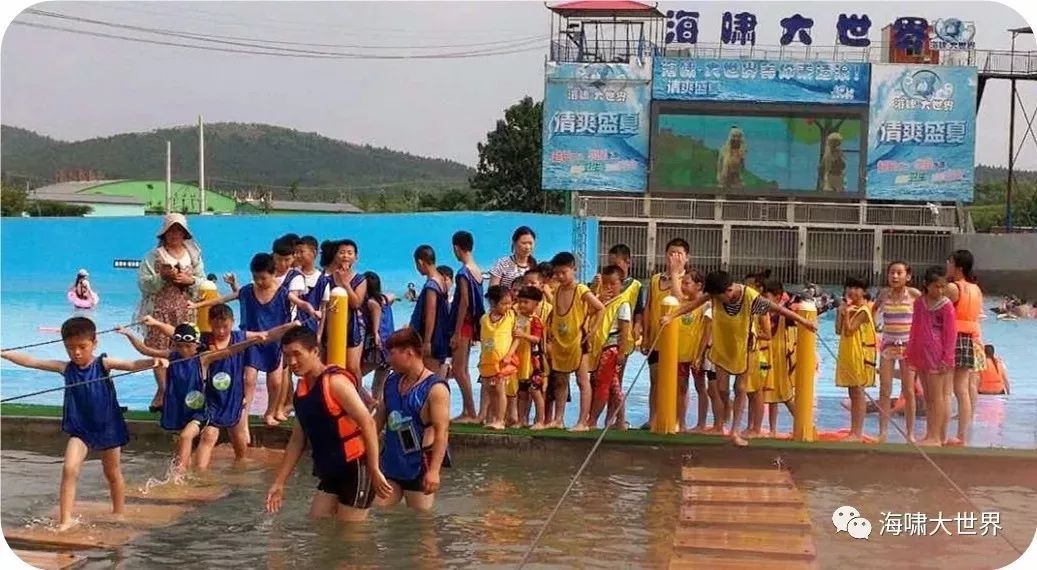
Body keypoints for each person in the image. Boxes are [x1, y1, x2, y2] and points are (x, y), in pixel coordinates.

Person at [1, 317, 166, 531]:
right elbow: (31, 361)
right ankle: (65, 520)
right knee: (69, 469)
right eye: (70, 348)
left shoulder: (103, 364)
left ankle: (119, 512)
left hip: (108, 427)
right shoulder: (65, 368)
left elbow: (131, 364)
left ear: (94, 343)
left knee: (112, 473)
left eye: (82, 347)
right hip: (80, 429)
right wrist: (4, 353)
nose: (76, 353)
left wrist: (153, 362)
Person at [663, 271, 818, 446]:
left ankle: (735, 431)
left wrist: (805, 322)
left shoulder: (750, 297)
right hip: (723, 347)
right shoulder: (714, 294)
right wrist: (671, 316)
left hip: (745, 348)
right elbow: (692, 305)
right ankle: (728, 409)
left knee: (741, 387)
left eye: (719, 298)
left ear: (728, 290)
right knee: (721, 389)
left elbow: (778, 309)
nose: (717, 301)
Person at [266, 327, 392, 522]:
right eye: (287, 356)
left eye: (297, 354)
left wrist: (375, 469)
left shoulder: (335, 382)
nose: (291, 362)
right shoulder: (302, 391)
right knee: (317, 524)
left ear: (315, 351)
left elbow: (367, 422)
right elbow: (297, 441)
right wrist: (279, 482)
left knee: (350, 539)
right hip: (331, 470)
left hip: (357, 468)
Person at [117, 320, 265, 474]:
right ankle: (189, 472)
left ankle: (179, 476)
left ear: (196, 344)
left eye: (188, 346)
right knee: (183, 442)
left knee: (186, 436)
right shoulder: (172, 356)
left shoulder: (203, 358)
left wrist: (250, 342)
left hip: (202, 409)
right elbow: (145, 350)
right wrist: (128, 334)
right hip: (182, 408)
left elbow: (229, 351)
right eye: (180, 346)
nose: (184, 350)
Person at [194, 253, 317, 427]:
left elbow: (301, 303)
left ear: (273, 274)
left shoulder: (282, 293)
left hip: (274, 341)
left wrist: (313, 312)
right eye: (255, 277)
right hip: (252, 340)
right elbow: (222, 299)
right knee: (249, 379)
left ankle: (270, 412)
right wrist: (197, 306)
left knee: (275, 381)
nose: (259, 282)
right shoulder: (247, 291)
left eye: (263, 278)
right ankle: (243, 415)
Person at [375, 329, 451, 512]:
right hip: (391, 464)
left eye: (392, 354)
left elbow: (442, 432)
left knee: (421, 523)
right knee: (373, 512)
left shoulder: (436, 389)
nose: (389, 360)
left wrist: (434, 472)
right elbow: (377, 420)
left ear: (409, 352)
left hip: (419, 468)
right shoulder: (391, 382)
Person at [136, 213, 206, 413]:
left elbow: (203, 281)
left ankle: (178, 390)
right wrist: (162, 277)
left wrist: (190, 281)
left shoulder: (193, 255)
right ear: (164, 234)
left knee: (185, 350)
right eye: (171, 230)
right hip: (159, 309)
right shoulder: (154, 256)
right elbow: (143, 283)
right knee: (158, 351)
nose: (175, 234)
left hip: (186, 309)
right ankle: (164, 390)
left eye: (178, 231)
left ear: (185, 234)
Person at [546, 252, 604, 431]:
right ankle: (558, 419)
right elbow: (554, 313)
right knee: (561, 380)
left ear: (574, 269)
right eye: (557, 273)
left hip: (579, 341)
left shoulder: (581, 290)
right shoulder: (557, 291)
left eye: (564, 272)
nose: (560, 277)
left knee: (582, 380)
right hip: (561, 341)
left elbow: (600, 308)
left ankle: (582, 422)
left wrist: (592, 330)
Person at [590, 244, 644, 428]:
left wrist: (637, 326)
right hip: (600, 342)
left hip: (618, 342)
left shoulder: (635, 286)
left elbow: (639, 310)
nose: (612, 267)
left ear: (627, 262)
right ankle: (614, 420)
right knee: (605, 382)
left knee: (612, 382)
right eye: (609, 263)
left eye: (616, 263)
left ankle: (610, 419)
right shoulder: (602, 286)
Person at [906, 266, 957, 447]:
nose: (940, 290)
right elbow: (915, 329)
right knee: (928, 397)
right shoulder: (919, 303)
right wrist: (911, 353)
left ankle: (936, 436)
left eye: (943, 287)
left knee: (937, 397)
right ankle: (929, 433)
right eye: (936, 286)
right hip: (921, 352)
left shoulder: (946, 306)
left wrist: (947, 358)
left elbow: (951, 335)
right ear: (926, 285)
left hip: (937, 354)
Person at [873, 261, 922, 443]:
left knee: (908, 390)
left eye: (899, 273)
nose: (894, 276)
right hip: (888, 345)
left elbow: (926, 311)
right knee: (884, 389)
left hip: (908, 346)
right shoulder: (884, 294)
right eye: (892, 273)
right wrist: (874, 324)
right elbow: (873, 309)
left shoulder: (914, 294)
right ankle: (883, 432)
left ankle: (910, 433)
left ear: (907, 276)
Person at [642, 238, 689, 429]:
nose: (674, 257)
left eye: (679, 254)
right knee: (655, 380)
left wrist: (676, 274)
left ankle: (679, 421)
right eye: (671, 253)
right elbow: (648, 307)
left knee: (679, 384)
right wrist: (645, 336)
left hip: (678, 340)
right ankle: (654, 418)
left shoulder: (688, 280)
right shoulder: (655, 280)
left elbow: (680, 299)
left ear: (687, 258)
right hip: (657, 338)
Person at [585, 265, 633, 429]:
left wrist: (621, 352)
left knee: (603, 385)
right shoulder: (600, 301)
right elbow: (587, 313)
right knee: (613, 386)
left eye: (613, 284)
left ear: (621, 283)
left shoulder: (623, 304)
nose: (609, 287)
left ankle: (592, 421)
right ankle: (620, 421)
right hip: (599, 348)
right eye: (605, 284)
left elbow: (624, 331)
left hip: (611, 348)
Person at [944, 249, 983, 446]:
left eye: (949, 262)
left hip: (954, 337)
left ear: (958, 267)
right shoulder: (976, 288)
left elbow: (940, 313)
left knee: (946, 388)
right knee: (963, 389)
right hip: (971, 338)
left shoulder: (953, 288)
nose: (947, 265)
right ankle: (962, 436)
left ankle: (940, 433)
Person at [447, 231, 485, 424]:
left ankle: (470, 411)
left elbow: (464, 302)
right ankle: (468, 410)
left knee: (458, 369)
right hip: (472, 325)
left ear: (456, 248)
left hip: (463, 326)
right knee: (462, 369)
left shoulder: (463, 272)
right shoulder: (477, 270)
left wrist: (456, 330)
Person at [835, 276, 878, 443]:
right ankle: (853, 430)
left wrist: (845, 314)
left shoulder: (864, 310)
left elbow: (850, 329)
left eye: (857, 288)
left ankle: (857, 432)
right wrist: (841, 313)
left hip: (859, 354)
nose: (852, 291)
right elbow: (839, 330)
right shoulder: (850, 308)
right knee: (852, 391)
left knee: (858, 393)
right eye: (850, 287)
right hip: (848, 353)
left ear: (864, 291)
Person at [478, 286, 518, 430]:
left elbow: (517, 338)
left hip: (503, 362)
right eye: (504, 303)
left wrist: (509, 355)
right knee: (491, 391)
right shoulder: (484, 319)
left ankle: (500, 420)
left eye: (510, 303)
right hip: (487, 362)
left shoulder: (511, 317)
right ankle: (495, 418)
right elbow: (483, 341)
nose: (508, 306)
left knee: (500, 390)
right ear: (493, 303)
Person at [679, 269, 714, 433]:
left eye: (687, 283)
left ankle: (701, 423)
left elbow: (706, 334)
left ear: (699, 285)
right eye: (682, 283)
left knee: (701, 388)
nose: (683, 286)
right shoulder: (681, 304)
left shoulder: (706, 305)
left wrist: (699, 355)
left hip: (696, 355)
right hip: (681, 354)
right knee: (681, 388)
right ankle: (682, 423)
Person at [760, 279, 796, 436]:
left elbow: (796, 318)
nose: (763, 299)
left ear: (777, 297)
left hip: (780, 359)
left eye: (766, 296)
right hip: (766, 357)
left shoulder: (784, 315)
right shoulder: (763, 313)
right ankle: (773, 430)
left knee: (786, 395)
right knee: (770, 394)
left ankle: (804, 423)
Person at [410, 245, 451, 371]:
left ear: (420, 262)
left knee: (429, 376)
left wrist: (427, 341)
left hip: (432, 338)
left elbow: (430, 314)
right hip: (441, 335)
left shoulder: (431, 286)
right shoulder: (441, 281)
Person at [513, 285, 548, 430]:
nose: (521, 305)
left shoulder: (536, 320)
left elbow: (536, 339)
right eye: (520, 301)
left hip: (534, 362)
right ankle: (522, 420)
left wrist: (524, 335)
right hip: (521, 362)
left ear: (535, 304)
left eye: (525, 302)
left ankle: (540, 420)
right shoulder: (520, 318)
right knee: (521, 392)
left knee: (535, 391)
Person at [361, 271, 395, 402]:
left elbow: (376, 324)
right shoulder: (384, 299)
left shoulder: (371, 303)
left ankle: (369, 402)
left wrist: (375, 333)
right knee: (378, 387)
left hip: (377, 348)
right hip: (389, 347)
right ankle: (376, 412)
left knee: (353, 377)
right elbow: (392, 295)